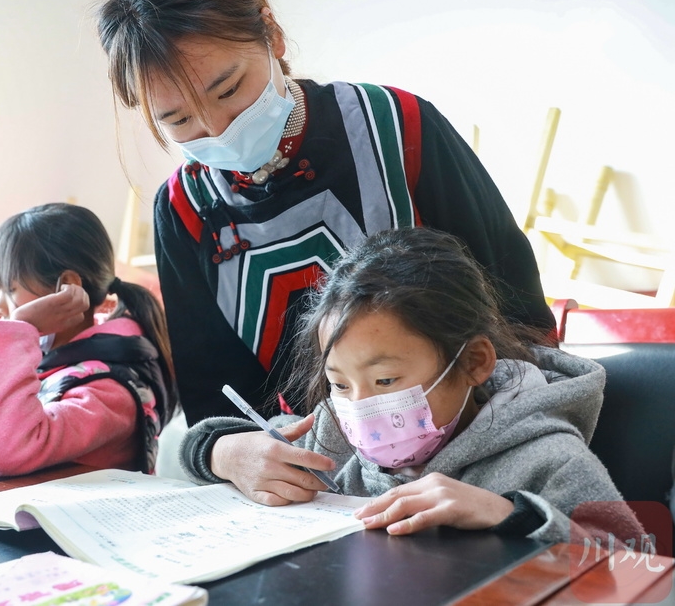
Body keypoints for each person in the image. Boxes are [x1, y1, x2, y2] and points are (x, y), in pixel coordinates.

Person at [94, 0, 556, 425]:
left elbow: (514, 302)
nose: (218, 130)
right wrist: (232, 450)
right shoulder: (184, 209)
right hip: (311, 462)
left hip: (471, 428)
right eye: (178, 119)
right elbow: (214, 396)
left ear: (272, 34)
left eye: (228, 90)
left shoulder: (396, 127)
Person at [180, 228, 642, 544]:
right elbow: (221, 449)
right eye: (339, 384)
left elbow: (637, 571)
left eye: (385, 380)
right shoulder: (330, 437)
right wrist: (221, 452)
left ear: (474, 362)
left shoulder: (550, 460)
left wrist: (511, 516)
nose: (361, 407)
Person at [0, 202, 178, 476]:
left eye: (11, 289)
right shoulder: (61, 360)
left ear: (67, 287)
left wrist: (20, 327)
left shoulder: (109, 390)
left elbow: (6, 451)